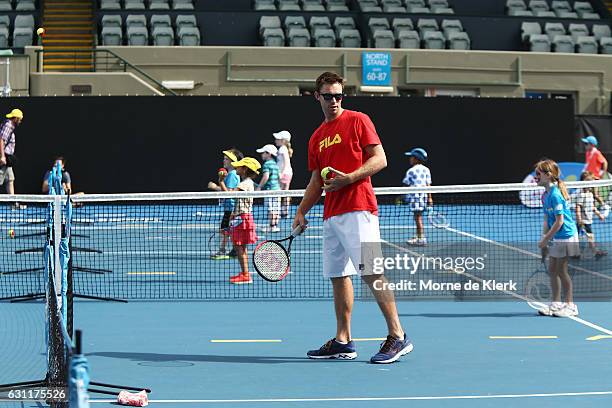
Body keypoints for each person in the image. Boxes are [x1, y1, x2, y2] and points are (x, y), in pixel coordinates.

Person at [293, 71, 412, 364]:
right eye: (328, 95)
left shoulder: (359, 120)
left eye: (338, 95)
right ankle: (343, 341)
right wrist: (301, 210)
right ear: (317, 96)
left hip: (361, 209)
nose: (334, 101)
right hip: (331, 215)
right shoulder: (316, 137)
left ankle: (398, 335)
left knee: (372, 271)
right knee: (338, 276)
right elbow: (314, 183)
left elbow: (380, 159)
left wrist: (350, 178)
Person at [535, 159, 580, 318]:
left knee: (562, 271)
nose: (536, 177)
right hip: (558, 236)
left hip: (567, 235)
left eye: (538, 174)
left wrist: (546, 239)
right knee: (552, 270)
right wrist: (544, 239)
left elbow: (560, 221)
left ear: (548, 175)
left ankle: (570, 305)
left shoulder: (555, 195)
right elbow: (548, 220)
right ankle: (555, 304)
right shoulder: (544, 195)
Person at [228, 157, 261, 285]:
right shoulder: (248, 183)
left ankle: (246, 275)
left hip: (243, 219)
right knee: (241, 247)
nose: (236, 168)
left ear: (245, 169)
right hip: (242, 217)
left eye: (239, 166)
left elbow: (228, 194)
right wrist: (232, 215)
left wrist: (219, 183)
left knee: (238, 247)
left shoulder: (244, 184)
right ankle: (244, 273)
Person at [207, 149, 243, 260]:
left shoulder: (232, 175)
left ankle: (222, 250)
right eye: (224, 158)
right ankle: (234, 250)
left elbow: (229, 192)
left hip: (230, 208)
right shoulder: (232, 174)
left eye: (226, 159)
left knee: (225, 230)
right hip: (230, 207)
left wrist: (215, 187)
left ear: (233, 162)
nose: (224, 160)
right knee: (228, 230)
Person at [403, 148, 432, 246]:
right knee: (418, 217)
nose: (410, 159)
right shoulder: (427, 170)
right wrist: (430, 198)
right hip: (423, 197)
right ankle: (419, 236)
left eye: (411, 157)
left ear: (416, 159)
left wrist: (403, 196)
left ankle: (421, 238)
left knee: (417, 217)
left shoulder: (410, 171)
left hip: (415, 198)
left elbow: (405, 184)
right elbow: (428, 185)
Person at [575, 171, 607, 259]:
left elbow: (592, 207)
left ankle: (574, 253)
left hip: (588, 220)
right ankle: (595, 251)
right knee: (589, 236)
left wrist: (599, 214)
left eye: (591, 180)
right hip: (583, 221)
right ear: (582, 182)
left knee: (578, 237)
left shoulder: (590, 194)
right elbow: (577, 208)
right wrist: (579, 220)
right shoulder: (581, 194)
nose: (590, 182)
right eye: (588, 180)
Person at [0, 108, 25, 209]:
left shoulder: (10, 126)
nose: (20, 121)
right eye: (20, 119)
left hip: (7, 160)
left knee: (10, 179)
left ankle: (14, 203)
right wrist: (2, 156)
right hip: (4, 158)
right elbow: (1, 140)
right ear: (16, 118)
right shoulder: (8, 125)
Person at [256, 144, 281, 233]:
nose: (262, 155)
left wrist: (259, 187)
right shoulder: (275, 164)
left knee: (270, 209)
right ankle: (274, 225)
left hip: (270, 190)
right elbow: (279, 177)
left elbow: (266, 176)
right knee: (276, 208)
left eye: (263, 153)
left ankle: (272, 226)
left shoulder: (266, 164)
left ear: (268, 154)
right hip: (277, 190)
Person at [273, 130, 294, 218]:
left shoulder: (282, 149)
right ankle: (285, 211)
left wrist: (281, 173)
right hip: (287, 173)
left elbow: (285, 162)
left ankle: (280, 211)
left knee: (280, 193)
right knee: (285, 193)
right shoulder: (283, 149)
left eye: (278, 139)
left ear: (283, 140)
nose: (275, 140)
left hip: (284, 174)